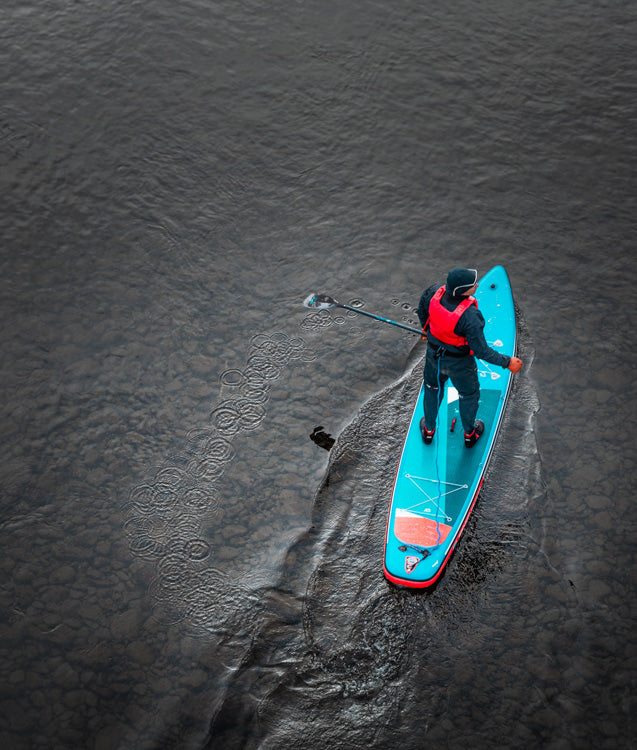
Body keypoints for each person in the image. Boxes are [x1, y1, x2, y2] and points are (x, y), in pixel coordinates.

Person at [417, 267, 522, 448]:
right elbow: (481, 351)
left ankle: (428, 430)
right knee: (468, 395)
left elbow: (421, 309)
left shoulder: (434, 291)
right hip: (460, 364)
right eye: (473, 285)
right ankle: (469, 434)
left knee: (432, 388)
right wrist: (507, 362)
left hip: (433, 356)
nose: (478, 285)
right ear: (461, 292)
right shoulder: (471, 316)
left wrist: (426, 330)